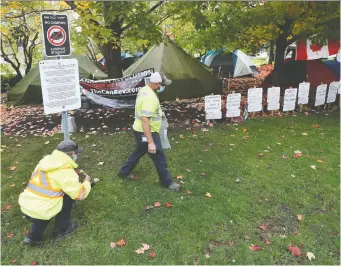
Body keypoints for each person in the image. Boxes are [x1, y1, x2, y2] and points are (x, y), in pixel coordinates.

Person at [18, 140, 92, 245]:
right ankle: (62, 229)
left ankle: (33, 237)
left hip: (28, 203)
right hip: (44, 208)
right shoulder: (65, 171)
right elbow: (80, 194)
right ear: (71, 154)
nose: (77, 155)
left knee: (43, 206)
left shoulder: (45, 161)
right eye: (76, 153)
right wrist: (87, 182)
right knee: (67, 197)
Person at [118, 72, 180, 191]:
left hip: (139, 130)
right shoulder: (150, 98)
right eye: (162, 85)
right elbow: (145, 121)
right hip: (146, 132)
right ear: (156, 84)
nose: (163, 87)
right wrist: (151, 142)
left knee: (139, 151)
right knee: (159, 156)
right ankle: (167, 183)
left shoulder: (144, 89)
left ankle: (123, 172)